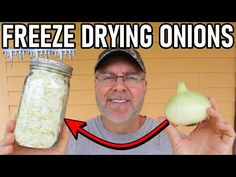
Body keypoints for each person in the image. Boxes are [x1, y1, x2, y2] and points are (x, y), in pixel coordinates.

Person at [0, 48, 235, 155]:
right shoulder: (59, 143)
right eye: (108, 76)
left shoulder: (182, 147)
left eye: (131, 77)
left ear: (145, 86)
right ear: (95, 85)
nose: (119, 86)